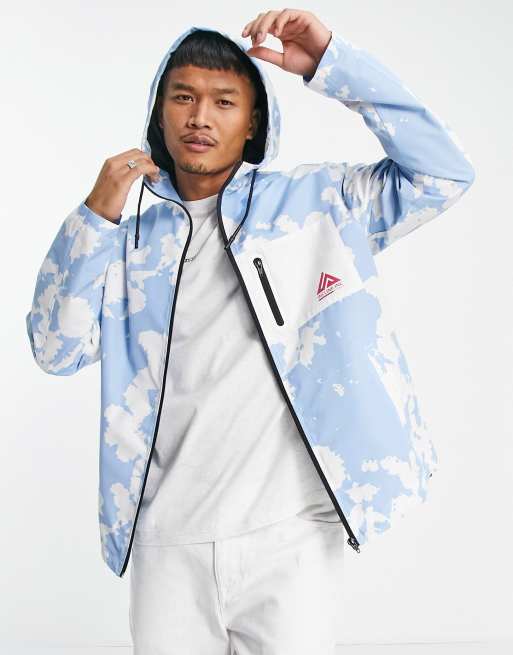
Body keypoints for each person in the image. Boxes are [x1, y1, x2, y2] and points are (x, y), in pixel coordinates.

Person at [25, 9, 475, 654]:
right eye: (183, 98)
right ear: (159, 116)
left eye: (223, 101)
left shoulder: (319, 204)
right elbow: (54, 349)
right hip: (165, 540)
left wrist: (334, 63)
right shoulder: (126, 245)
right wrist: (95, 216)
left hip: (291, 533)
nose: (200, 118)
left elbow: (444, 174)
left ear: (253, 121)